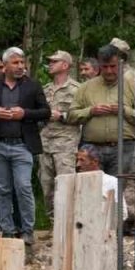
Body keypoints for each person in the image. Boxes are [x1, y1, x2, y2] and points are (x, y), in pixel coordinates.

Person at [68, 44, 135, 228]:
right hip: (92, 149)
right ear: (99, 66)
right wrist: (91, 110)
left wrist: (124, 110)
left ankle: (115, 231)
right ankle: (90, 228)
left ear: (120, 64)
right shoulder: (86, 87)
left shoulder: (131, 86)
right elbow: (71, 115)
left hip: (123, 147)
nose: (109, 71)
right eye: (105, 67)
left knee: (116, 191)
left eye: (113, 66)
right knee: (90, 188)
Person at [0, 47, 50, 245]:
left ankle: (27, 230)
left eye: (22, 62)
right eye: (16, 63)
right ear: (4, 66)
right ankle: (6, 229)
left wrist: (25, 113)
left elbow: (46, 112)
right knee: (2, 189)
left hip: (23, 145)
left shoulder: (33, 86)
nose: (20, 66)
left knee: (23, 187)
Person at [40, 50, 83, 215]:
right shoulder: (46, 89)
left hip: (65, 145)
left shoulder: (77, 89)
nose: (50, 64)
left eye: (54, 61)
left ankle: (67, 226)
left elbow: (83, 115)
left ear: (65, 65)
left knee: (66, 186)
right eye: (50, 61)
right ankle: (53, 226)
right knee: (47, 186)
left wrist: (62, 116)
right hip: (45, 143)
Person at [76, 144, 125, 221]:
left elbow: (122, 213)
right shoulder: (75, 182)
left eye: (82, 160)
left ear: (95, 162)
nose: (78, 164)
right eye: (77, 160)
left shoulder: (111, 181)